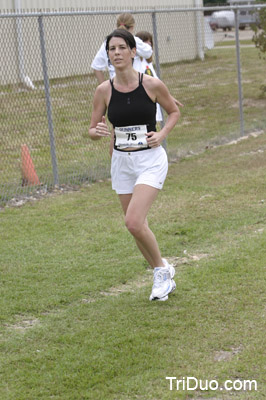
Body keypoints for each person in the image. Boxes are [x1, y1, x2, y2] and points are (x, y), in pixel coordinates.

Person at [89, 29, 180, 301]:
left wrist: (162, 134)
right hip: (121, 162)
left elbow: (174, 111)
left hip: (150, 159)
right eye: (111, 49)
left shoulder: (151, 84)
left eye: (120, 48)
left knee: (133, 221)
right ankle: (161, 269)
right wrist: (96, 132)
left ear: (132, 52)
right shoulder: (103, 90)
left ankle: (161, 273)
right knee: (135, 226)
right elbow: (92, 127)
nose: (116, 53)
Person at [91, 13, 152, 84]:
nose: (117, 52)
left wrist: (103, 86)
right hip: (136, 84)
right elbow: (148, 52)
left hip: (117, 87)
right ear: (132, 27)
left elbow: (96, 67)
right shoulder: (134, 41)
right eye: (113, 48)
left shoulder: (107, 43)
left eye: (122, 47)